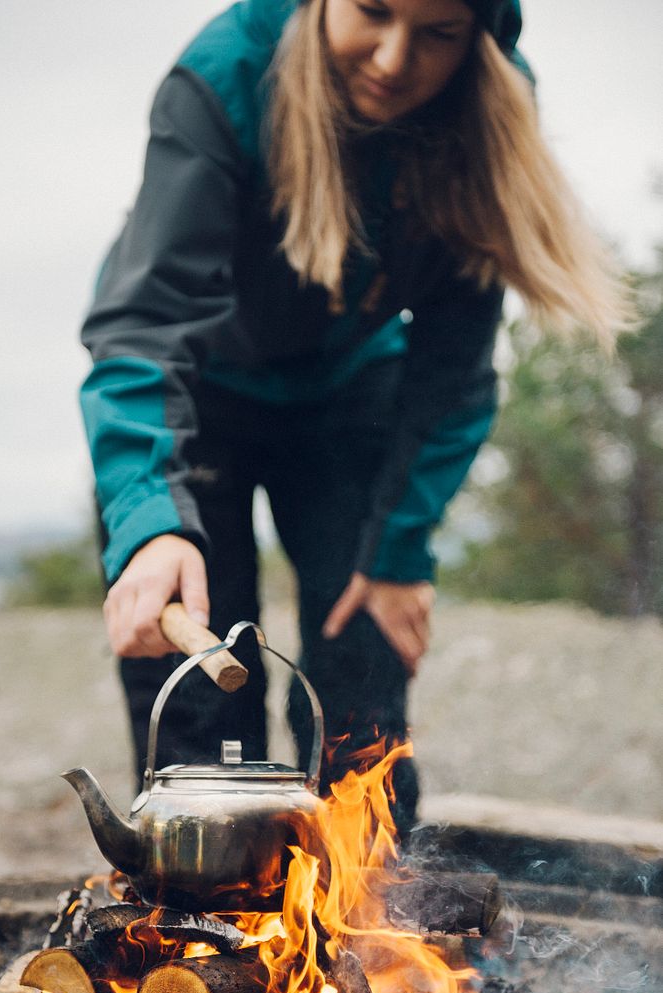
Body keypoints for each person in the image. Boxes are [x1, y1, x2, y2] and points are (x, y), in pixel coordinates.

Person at [79, 0, 632, 835]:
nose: (392, 58)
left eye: (438, 33)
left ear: (478, 40)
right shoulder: (225, 79)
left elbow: (454, 362)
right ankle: (207, 934)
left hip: (345, 393)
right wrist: (150, 520)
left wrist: (401, 546)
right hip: (189, 399)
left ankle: (373, 936)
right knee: (199, 697)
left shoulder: (490, 108)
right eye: (372, 10)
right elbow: (146, 325)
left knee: (361, 681)